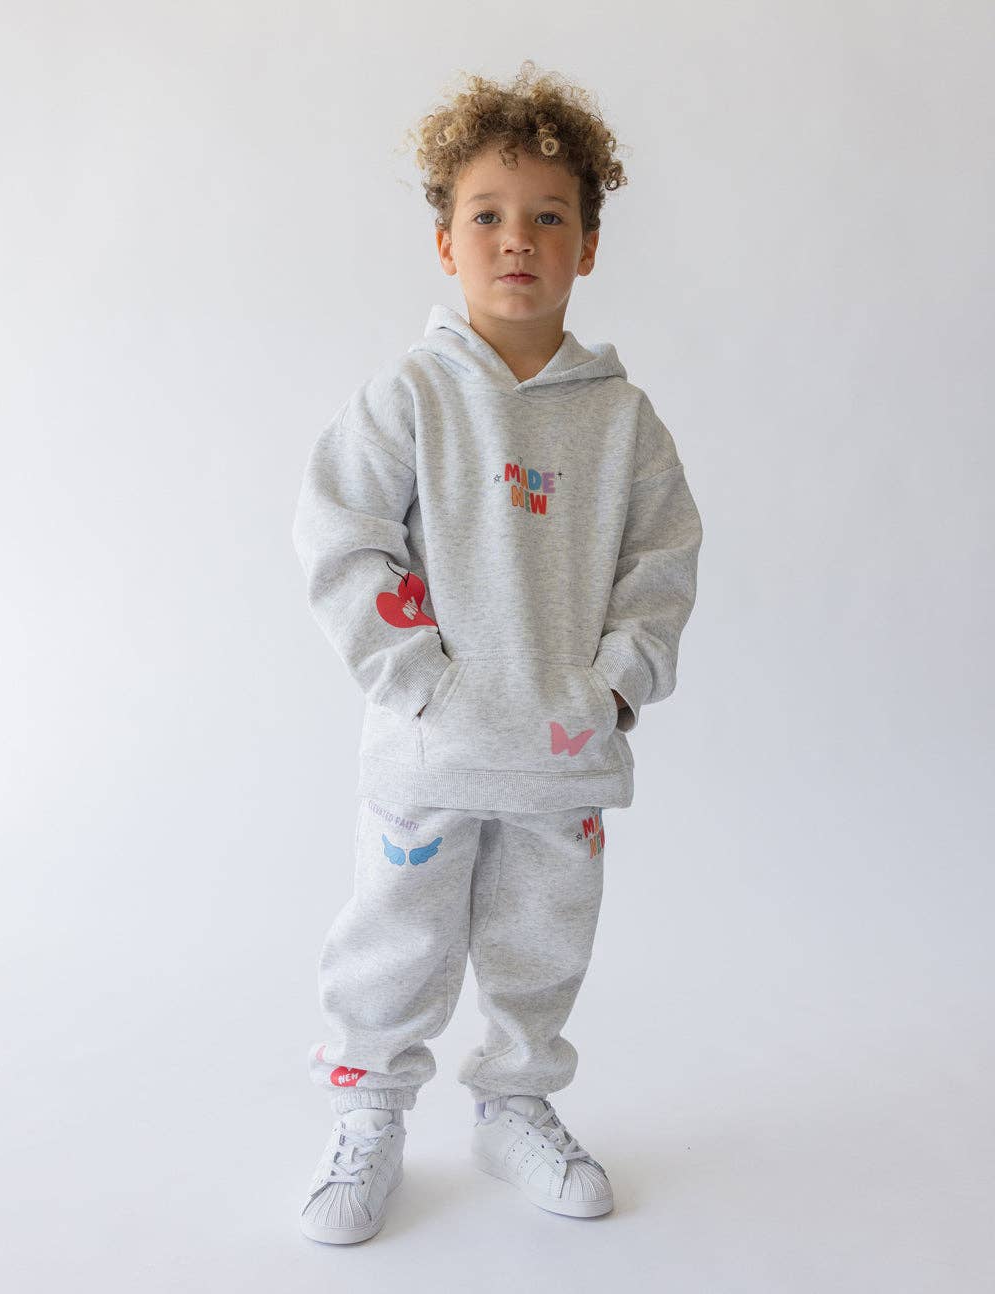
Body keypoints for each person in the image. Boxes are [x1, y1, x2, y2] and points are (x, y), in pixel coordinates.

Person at [291, 60, 703, 1245]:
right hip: (426, 752)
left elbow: (662, 561)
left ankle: (514, 1105)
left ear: (587, 247)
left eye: (548, 216)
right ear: (444, 242)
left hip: (560, 755)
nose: (516, 238)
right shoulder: (411, 395)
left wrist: (613, 689)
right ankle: (369, 1112)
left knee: (543, 943)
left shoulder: (623, 421)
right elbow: (340, 537)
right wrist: (421, 683)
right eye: (486, 215)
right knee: (393, 938)